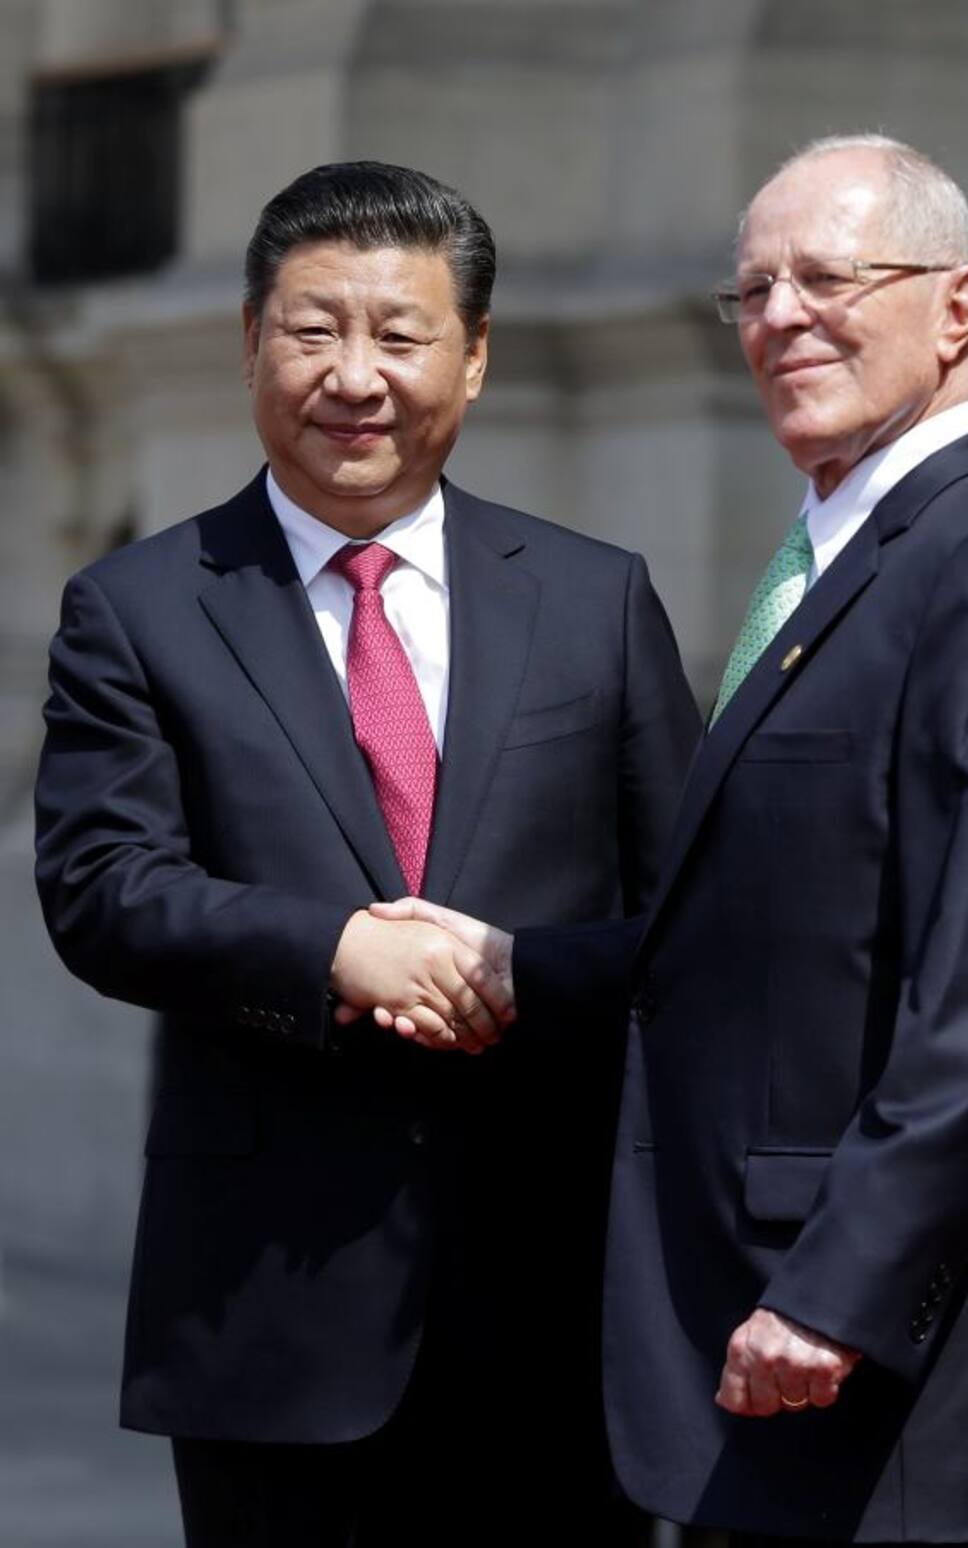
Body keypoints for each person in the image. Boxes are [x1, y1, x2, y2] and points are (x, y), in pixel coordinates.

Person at [379, 135, 968, 1546]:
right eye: (751, 289)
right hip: (793, 1378)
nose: (779, 318)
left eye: (827, 277)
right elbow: (782, 929)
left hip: (922, 1400)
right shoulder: (844, 561)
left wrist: (840, 1291)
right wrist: (528, 968)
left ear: (959, 305)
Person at [34, 160, 699, 1547]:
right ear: (250, 343)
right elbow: (104, 889)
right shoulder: (140, 609)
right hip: (269, 1328)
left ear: (473, 357)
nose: (355, 374)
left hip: (557, 1317)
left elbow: (695, 916)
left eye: (399, 335)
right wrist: (335, 949)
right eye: (313, 329)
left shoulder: (597, 599)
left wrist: (520, 973)